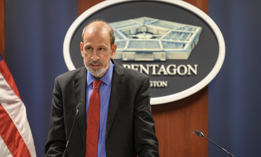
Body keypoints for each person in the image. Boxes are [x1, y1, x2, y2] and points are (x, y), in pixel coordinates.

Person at [45, 20, 159, 157]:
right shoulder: (64, 85)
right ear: (81, 49)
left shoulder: (135, 85)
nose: (94, 57)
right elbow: (55, 145)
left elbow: (147, 145)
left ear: (113, 50)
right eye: (89, 48)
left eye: (101, 49)